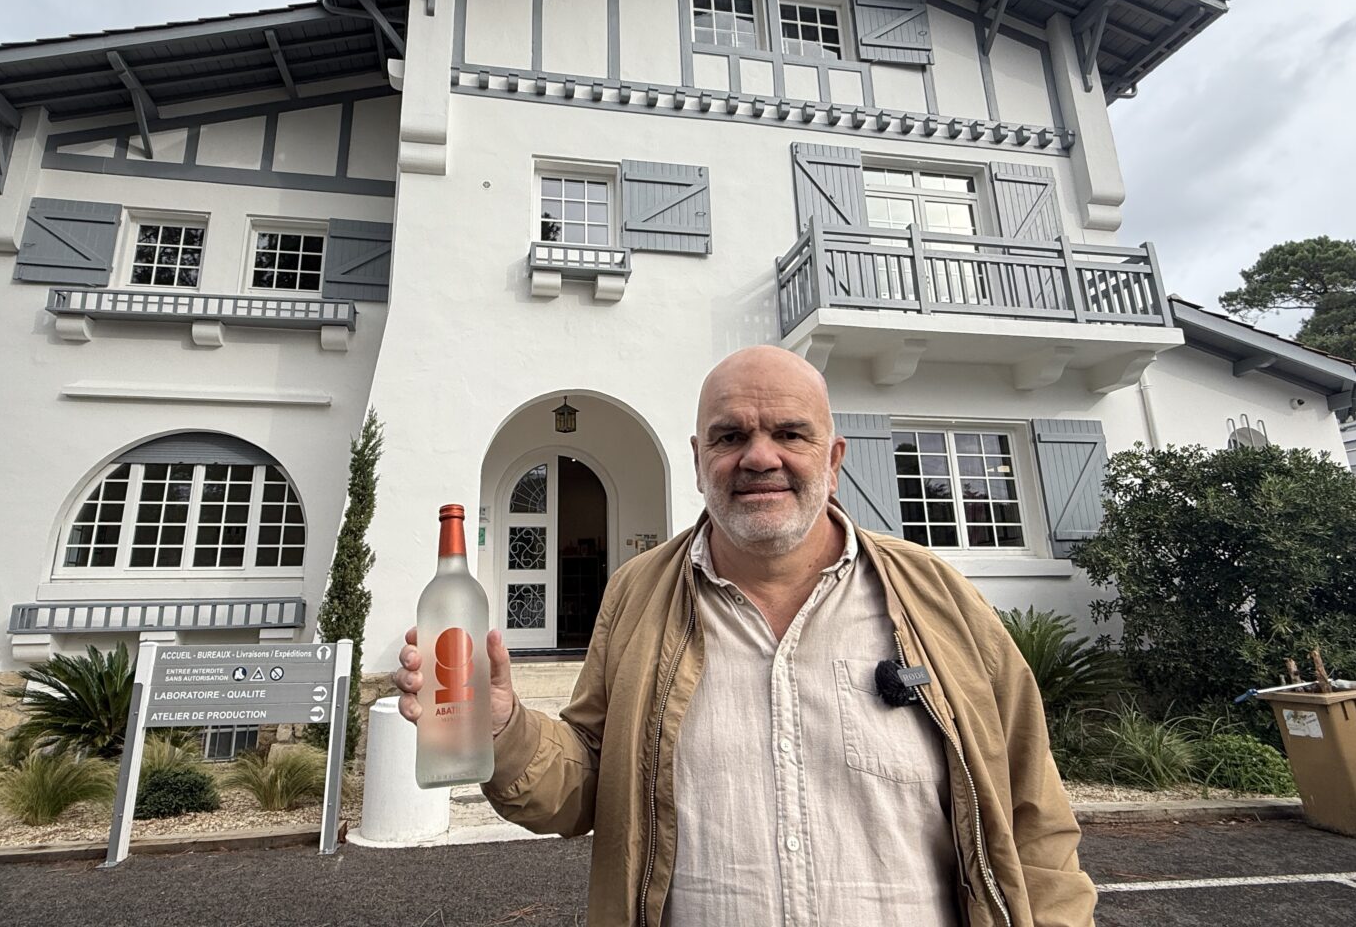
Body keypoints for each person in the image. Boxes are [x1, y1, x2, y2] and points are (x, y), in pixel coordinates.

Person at [392, 345, 1095, 926]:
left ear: (834, 456)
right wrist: (507, 728)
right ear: (700, 459)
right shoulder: (637, 596)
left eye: (789, 433)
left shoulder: (940, 600)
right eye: (731, 436)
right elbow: (585, 787)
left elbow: (1035, 822)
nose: (759, 457)